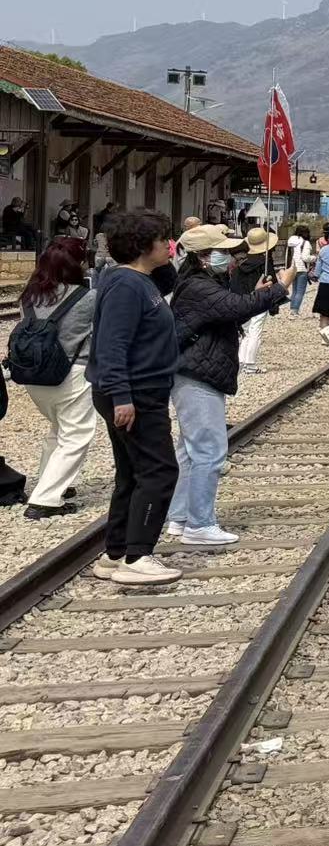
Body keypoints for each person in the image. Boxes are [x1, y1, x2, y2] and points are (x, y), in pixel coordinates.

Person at [166, 225, 289, 547]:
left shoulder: (201, 282)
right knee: (209, 450)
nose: (231, 257)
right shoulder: (199, 286)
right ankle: (200, 524)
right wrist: (280, 288)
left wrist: (259, 293)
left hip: (197, 370)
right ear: (203, 257)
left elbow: (230, 310)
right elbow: (237, 308)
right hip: (197, 374)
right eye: (223, 251)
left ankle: (180, 517)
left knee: (190, 449)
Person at [88, 209, 183, 586]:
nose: (169, 245)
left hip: (138, 390)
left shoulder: (138, 279)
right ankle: (138, 555)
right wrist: (122, 396)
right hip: (135, 393)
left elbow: (170, 278)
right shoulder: (127, 286)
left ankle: (115, 553)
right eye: (163, 240)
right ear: (145, 246)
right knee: (160, 471)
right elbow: (112, 344)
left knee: (131, 472)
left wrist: (166, 260)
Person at [20, 238, 103, 520]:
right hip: (72, 373)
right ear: (76, 265)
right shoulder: (88, 297)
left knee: (58, 429)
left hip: (34, 376)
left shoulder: (30, 297)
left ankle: (51, 482)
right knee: (76, 434)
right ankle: (45, 500)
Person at [234, 228, 281, 375]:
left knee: (245, 332)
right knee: (256, 331)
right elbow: (273, 285)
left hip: (242, 300)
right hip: (260, 300)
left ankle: (240, 361)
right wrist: (274, 305)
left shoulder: (240, 263)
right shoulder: (265, 264)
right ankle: (250, 364)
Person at [285, 225, 313, 316]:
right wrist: (314, 258)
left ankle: (292, 309)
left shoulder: (290, 242)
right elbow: (305, 257)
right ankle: (295, 310)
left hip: (292, 268)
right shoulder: (306, 243)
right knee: (300, 291)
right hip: (301, 268)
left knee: (294, 290)